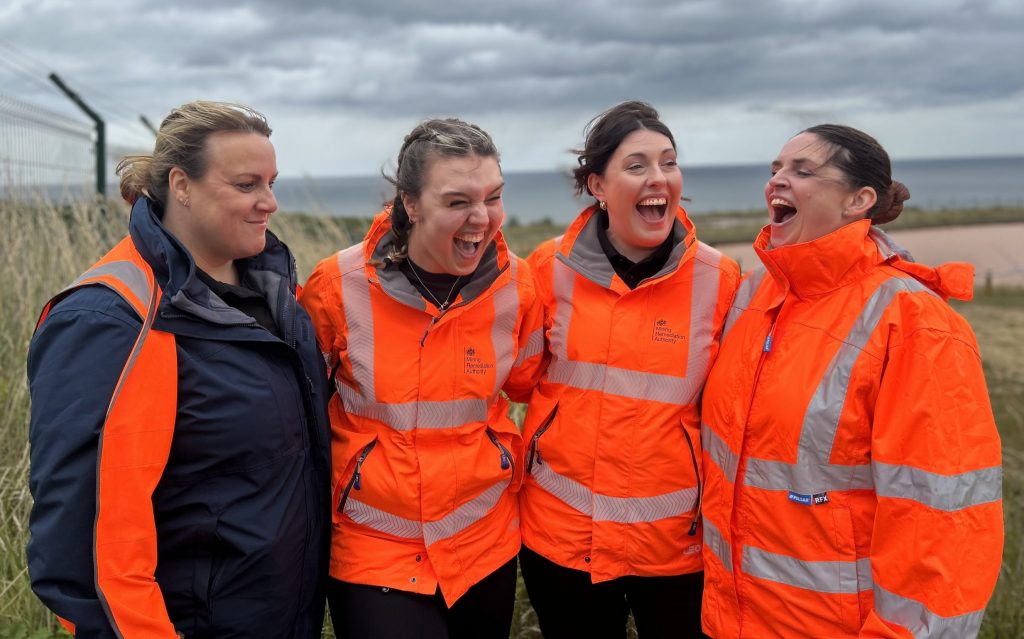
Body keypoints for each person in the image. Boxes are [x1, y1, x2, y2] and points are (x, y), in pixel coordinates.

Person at [27, 101, 331, 638]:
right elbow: (85, 544)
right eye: (246, 185)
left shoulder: (278, 294)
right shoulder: (110, 319)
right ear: (181, 185)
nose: (270, 202)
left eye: (271, 183)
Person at [699, 124, 1003, 638]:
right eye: (775, 168)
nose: (777, 180)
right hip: (729, 621)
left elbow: (942, 520)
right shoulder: (752, 295)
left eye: (802, 170)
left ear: (858, 201)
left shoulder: (914, 323)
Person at [299, 118, 545, 639]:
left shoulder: (518, 285)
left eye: (493, 197)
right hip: (375, 546)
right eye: (458, 202)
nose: (482, 218)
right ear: (410, 204)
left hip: (484, 541)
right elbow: (301, 406)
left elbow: (525, 382)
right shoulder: (337, 286)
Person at [516, 100, 740, 638]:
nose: (658, 177)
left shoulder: (722, 279)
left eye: (669, 162)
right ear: (597, 185)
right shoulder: (547, 268)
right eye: (636, 165)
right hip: (562, 535)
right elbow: (519, 380)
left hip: (676, 543)